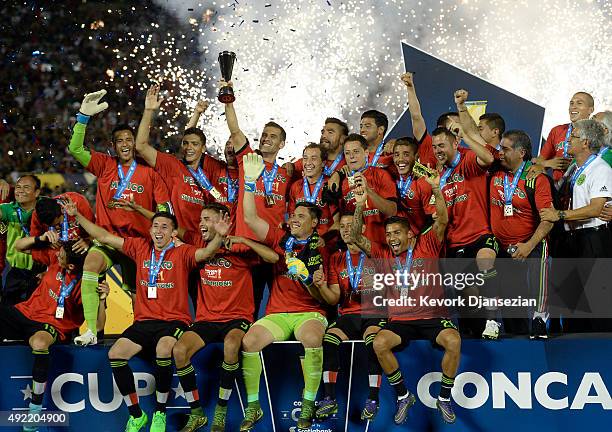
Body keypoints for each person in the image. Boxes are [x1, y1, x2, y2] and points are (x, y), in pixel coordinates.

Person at [64, 202, 230, 432]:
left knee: (164, 350)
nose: (158, 231)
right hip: (143, 322)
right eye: (155, 226)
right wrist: (77, 216)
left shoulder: (183, 252)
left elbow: (206, 252)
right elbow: (103, 235)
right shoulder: (139, 247)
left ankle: (160, 414)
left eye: (164, 227)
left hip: (174, 322)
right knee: (115, 354)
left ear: (173, 232)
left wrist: (219, 237)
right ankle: (136, 415)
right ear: (150, 230)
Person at [350, 169, 461, 425]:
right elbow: (356, 237)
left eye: (396, 234)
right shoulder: (383, 253)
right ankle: (403, 395)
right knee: (379, 343)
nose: (391, 239)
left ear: (409, 234)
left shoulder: (427, 244)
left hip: (433, 316)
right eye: (388, 235)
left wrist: (435, 189)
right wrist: (359, 206)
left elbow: (442, 220)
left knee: (453, 341)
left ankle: (444, 396)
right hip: (401, 320)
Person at [67, 89, 170, 346]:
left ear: (135, 143)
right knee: (90, 264)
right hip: (108, 239)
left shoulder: (151, 174)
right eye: (120, 140)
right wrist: (82, 118)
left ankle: (142, 335)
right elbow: (75, 148)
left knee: (138, 294)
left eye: (129, 139)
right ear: (113, 146)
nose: (125, 144)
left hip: (138, 244)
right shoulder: (104, 165)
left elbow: (164, 213)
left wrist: (139, 212)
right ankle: (91, 330)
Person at [238, 153, 328, 431]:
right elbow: (250, 218)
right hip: (277, 313)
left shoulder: (320, 248)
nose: (295, 219)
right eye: (294, 215)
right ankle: (253, 407)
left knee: (312, 338)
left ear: (314, 224)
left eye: (302, 216)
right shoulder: (281, 239)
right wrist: (250, 183)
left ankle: (309, 403)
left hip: (309, 313)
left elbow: (321, 298)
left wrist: (308, 280)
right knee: (249, 342)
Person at [173, 203, 279, 432]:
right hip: (206, 319)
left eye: (207, 219)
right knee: (179, 351)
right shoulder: (197, 243)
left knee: (232, 345)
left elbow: (273, 258)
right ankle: (197, 413)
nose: (201, 223)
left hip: (236, 317)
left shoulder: (238, 248)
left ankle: (220, 411)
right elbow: (174, 229)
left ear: (223, 220)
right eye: (200, 219)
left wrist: (244, 240)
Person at [2, 234, 106, 430]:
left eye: (62, 256)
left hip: (53, 327)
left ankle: (35, 410)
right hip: (25, 312)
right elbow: (18, 246)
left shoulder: (85, 285)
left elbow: (99, 326)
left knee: (40, 344)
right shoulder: (53, 258)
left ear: (72, 267)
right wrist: (40, 238)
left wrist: (102, 299)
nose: (57, 255)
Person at [539, 119, 612, 332]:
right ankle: (574, 351)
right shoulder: (573, 168)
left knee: (597, 304)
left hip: (593, 239)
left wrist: (560, 215)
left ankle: (602, 357)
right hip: (571, 239)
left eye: (573, 137)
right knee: (571, 305)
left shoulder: (600, 169)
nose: (567, 140)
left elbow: (596, 208)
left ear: (586, 142)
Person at [313, 212, 386, 421]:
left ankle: (373, 399)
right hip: (348, 314)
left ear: (362, 229)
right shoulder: (337, 258)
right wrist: (320, 286)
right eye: (342, 226)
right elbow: (334, 298)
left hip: (374, 313)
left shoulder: (375, 253)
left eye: (351, 225)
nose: (346, 229)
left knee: (372, 340)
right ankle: (329, 399)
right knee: (329, 339)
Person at [136, 85, 231, 233]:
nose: (189, 147)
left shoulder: (211, 169)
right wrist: (148, 110)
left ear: (203, 148)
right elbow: (141, 146)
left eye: (194, 144)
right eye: (185, 144)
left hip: (202, 243)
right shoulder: (172, 166)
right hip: (176, 240)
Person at [489, 130, 555, 338]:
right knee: (510, 300)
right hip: (502, 243)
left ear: (521, 152)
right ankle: (503, 328)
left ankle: (539, 317)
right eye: (500, 148)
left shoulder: (536, 178)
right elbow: (475, 139)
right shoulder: (493, 170)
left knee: (540, 263)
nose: (500, 153)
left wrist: (528, 245)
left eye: (506, 149)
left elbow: (548, 219)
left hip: (530, 241)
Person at [329, 133, 397, 244]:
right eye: (347, 153)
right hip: (357, 247)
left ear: (366, 153)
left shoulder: (381, 175)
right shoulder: (343, 183)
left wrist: (369, 191)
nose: (351, 157)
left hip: (382, 245)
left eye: (356, 152)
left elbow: (392, 211)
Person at [531, 92, 595, 182]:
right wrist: (549, 163)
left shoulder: (596, 134)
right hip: (558, 190)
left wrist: (572, 165)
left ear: (590, 110)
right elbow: (539, 161)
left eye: (579, 103)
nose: (573, 106)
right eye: (571, 103)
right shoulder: (557, 131)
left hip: (583, 186)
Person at [0, 175, 42, 305]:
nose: (20, 190)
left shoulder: (45, 209)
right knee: (8, 312)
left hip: (38, 272)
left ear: (37, 192)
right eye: (18, 187)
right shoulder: (8, 209)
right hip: (13, 271)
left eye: (26, 187)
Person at [288, 143, 339, 238]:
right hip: (301, 242)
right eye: (305, 158)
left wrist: (323, 241)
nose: (308, 162)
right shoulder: (296, 186)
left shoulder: (329, 184)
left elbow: (337, 223)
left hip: (324, 243)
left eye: (314, 158)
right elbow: (291, 219)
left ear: (323, 163)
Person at [390, 137, 434, 233]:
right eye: (396, 155)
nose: (400, 159)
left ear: (415, 156)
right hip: (398, 236)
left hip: (420, 236)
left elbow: (432, 219)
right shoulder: (389, 175)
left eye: (406, 154)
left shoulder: (424, 181)